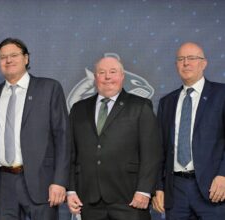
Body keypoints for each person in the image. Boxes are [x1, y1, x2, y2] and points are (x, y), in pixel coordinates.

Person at [0, 38, 70, 220]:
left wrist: (60, 181)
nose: (8, 60)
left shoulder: (49, 88)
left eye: (14, 55)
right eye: (3, 57)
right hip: (2, 185)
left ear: (26, 59)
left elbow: (63, 138)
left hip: (42, 183)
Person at [67, 56, 162, 220]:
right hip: (89, 201)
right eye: (102, 72)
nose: (107, 77)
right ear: (95, 78)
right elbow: (70, 152)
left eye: (113, 72)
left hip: (130, 199)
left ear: (122, 76)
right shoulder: (78, 109)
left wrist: (144, 190)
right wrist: (71, 189)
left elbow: (151, 153)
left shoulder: (140, 106)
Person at [152, 42, 225, 219]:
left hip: (213, 189)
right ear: (176, 65)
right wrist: (159, 187)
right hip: (175, 191)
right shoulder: (167, 102)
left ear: (204, 63)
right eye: (181, 59)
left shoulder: (221, 94)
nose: (186, 63)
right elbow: (159, 149)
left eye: (192, 58)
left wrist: (224, 174)